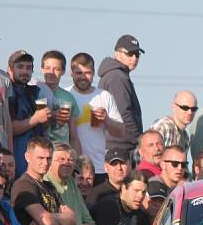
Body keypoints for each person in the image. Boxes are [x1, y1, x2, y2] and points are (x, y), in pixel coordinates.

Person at [11, 137, 76, 225]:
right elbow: (47, 222)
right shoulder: (23, 185)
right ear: (27, 157)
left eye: (49, 158)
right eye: (40, 158)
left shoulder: (49, 186)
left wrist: (48, 219)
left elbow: (72, 219)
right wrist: (55, 223)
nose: (45, 163)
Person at [69, 52, 125, 183]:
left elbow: (121, 132)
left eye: (87, 73)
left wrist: (106, 120)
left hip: (98, 167)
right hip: (71, 167)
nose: (83, 77)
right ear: (71, 73)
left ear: (93, 73)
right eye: (78, 73)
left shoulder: (104, 96)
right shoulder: (66, 95)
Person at [98, 35, 144, 157]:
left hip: (116, 144)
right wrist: (139, 142)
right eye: (130, 53)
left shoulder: (116, 75)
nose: (134, 58)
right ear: (117, 53)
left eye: (137, 54)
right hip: (120, 147)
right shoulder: (118, 77)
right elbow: (124, 113)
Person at [7, 50, 53, 174]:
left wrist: (48, 118)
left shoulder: (35, 92)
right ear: (10, 69)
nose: (25, 71)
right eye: (20, 67)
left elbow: (42, 126)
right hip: (15, 161)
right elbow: (9, 128)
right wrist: (36, 119)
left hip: (35, 162)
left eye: (28, 68)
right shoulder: (7, 92)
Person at [45, 143, 95, 225]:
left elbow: (87, 219)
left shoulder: (71, 182)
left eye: (70, 160)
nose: (66, 163)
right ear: (50, 161)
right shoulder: (44, 183)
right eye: (61, 159)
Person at [40, 50, 81, 155]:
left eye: (56, 69)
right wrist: (52, 116)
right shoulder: (36, 92)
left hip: (64, 153)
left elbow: (74, 136)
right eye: (47, 68)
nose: (51, 73)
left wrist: (78, 162)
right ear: (42, 69)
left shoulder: (68, 97)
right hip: (43, 152)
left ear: (63, 71)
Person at [147, 145, 188, 219]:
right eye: (175, 164)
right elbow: (157, 220)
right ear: (163, 165)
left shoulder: (183, 187)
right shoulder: (155, 185)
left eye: (183, 165)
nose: (180, 168)